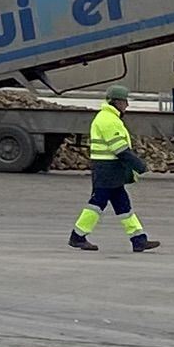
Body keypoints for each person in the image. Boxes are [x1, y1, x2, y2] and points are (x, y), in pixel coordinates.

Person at [69, 93, 158, 254]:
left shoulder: (110, 118)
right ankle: (77, 236)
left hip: (110, 170)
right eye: (124, 102)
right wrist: (139, 165)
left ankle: (139, 240)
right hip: (106, 170)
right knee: (97, 203)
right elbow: (120, 149)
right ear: (116, 102)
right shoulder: (107, 120)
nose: (127, 106)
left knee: (123, 204)